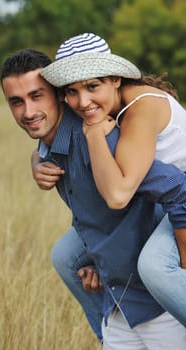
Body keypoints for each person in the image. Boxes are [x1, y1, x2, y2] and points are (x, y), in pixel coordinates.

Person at [0, 48, 186, 349]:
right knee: (64, 257)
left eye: (37, 96)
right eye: (16, 102)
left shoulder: (103, 139)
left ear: (59, 94)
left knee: (153, 266)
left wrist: (182, 263)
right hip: (120, 304)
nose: (28, 112)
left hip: (158, 307)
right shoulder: (50, 146)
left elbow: (177, 187)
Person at [40, 32, 186, 326]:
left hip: (179, 199)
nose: (82, 102)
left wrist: (93, 134)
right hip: (163, 203)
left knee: (155, 267)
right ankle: (109, 334)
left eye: (92, 86)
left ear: (116, 79)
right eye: (71, 91)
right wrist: (37, 158)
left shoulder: (141, 108)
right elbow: (53, 132)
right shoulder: (104, 106)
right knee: (67, 257)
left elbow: (118, 195)